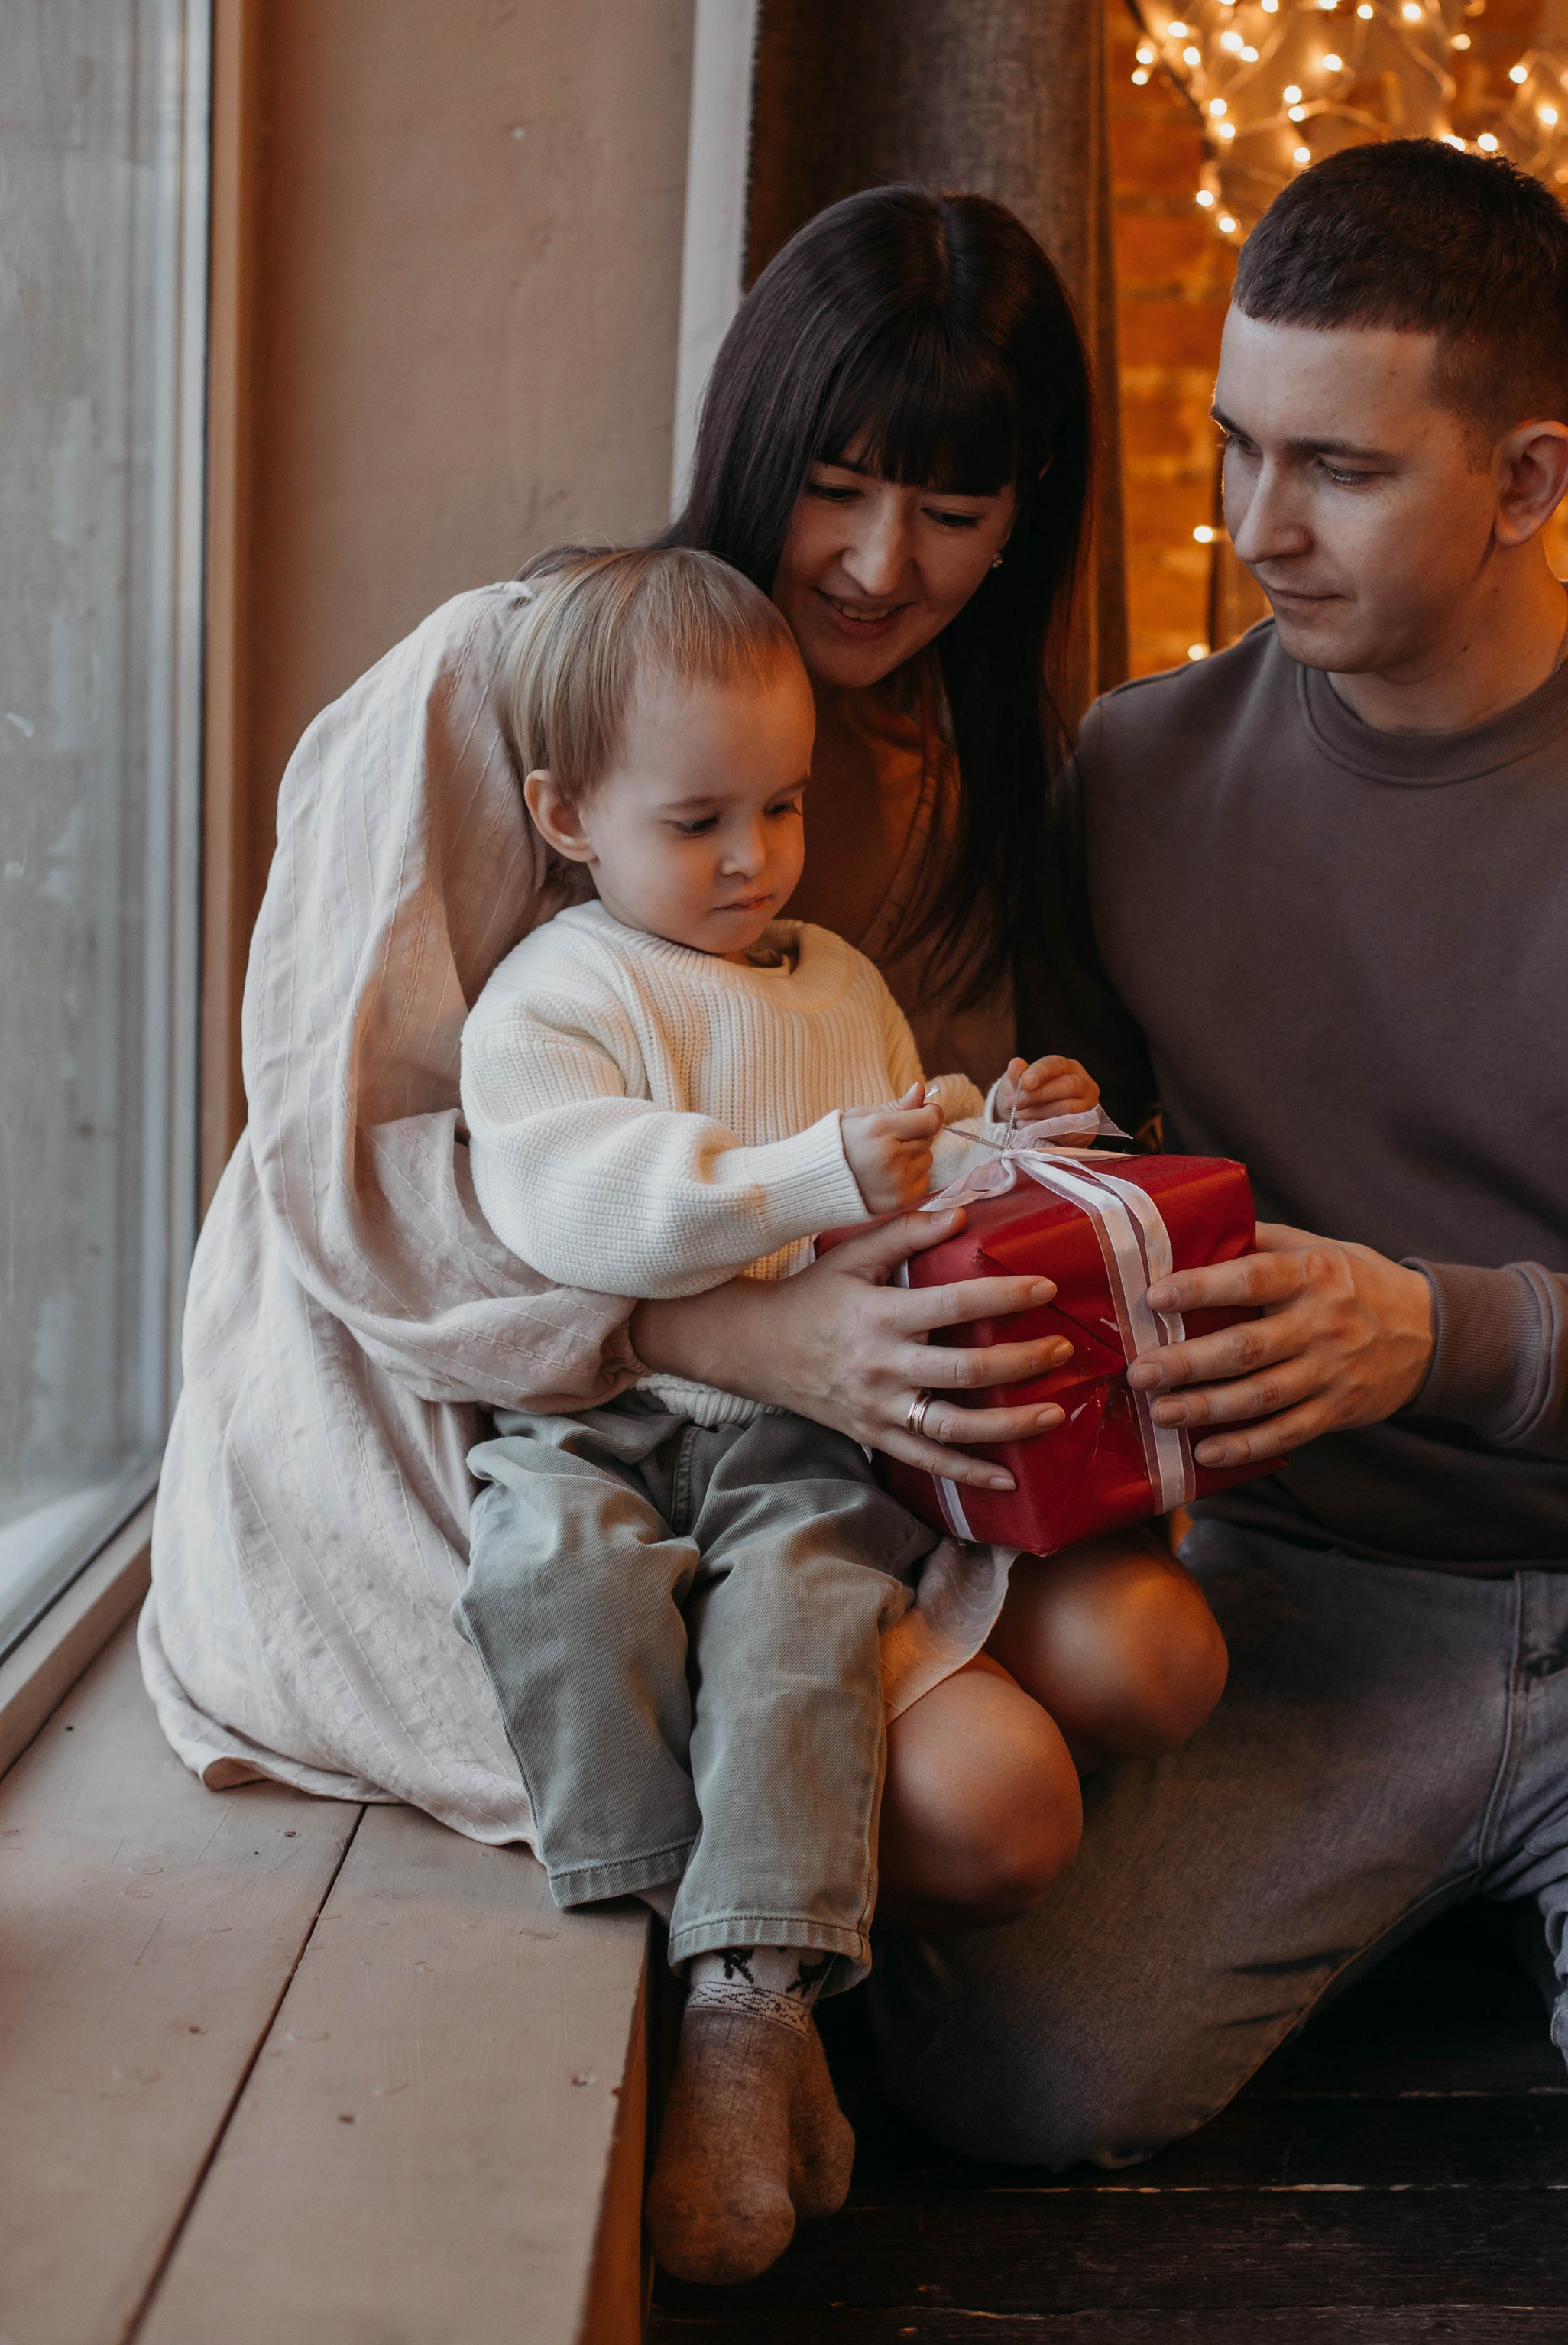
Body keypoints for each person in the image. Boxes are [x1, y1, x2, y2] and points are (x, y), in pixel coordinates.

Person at [869, 139, 1568, 2220]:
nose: (1254, 526)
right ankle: (1499, 1877)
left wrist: (1436, 1332)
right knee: (1007, 2073)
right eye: (1235, 445)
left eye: (1339, 471)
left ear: (1525, 481)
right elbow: (1100, 1179)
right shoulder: (1136, 775)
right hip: (1303, 1590)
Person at [454, 541, 1220, 2280]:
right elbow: (576, 1198)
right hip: (609, 1414)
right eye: (698, 820)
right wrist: (816, 1171)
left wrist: (1010, 1130)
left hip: (797, 1437)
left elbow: (914, 1162)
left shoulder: (836, 984)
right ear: (567, 816)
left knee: (805, 1619)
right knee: (553, 1581)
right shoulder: (558, 994)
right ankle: (654, 1939)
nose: (752, 858)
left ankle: (754, 2003)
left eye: (783, 808)